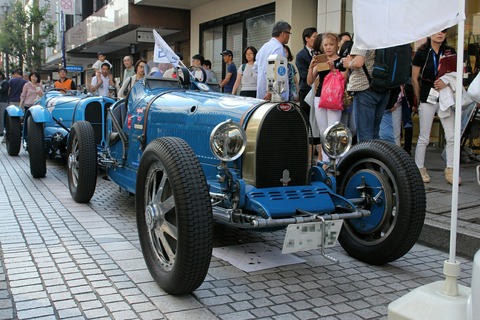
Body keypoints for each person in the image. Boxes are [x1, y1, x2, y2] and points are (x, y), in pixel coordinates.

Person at [412, 29, 459, 184]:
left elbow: (458, 72)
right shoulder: (421, 53)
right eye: (437, 31)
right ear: (430, 33)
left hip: (445, 94)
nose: (440, 34)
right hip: (428, 93)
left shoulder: (450, 51)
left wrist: (447, 81)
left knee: (451, 135)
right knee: (424, 136)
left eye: (443, 31)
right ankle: (419, 167)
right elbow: (414, 77)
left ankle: (451, 169)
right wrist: (419, 98)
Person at [307, 33, 348, 165]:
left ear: (337, 45)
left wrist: (333, 69)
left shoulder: (342, 60)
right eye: (325, 45)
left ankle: (335, 162)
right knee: (323, 132)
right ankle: (325, 162)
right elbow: (309, 81)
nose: (328, 47)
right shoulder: (321, 60)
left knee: (334, 132)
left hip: (334, 99)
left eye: (331, 44)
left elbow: (343, 79)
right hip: (320, 98)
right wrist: (311, 67)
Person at [342, 42, 390, 142]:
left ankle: (367, 158)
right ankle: (375, 157)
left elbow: (359, 63)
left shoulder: (363, 35)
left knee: (365, 135)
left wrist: (348, 63)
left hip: (364, 87)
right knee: (375, 132)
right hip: (383, 87)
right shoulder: (384, 35)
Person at [255, 20, 292, 101]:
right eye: (289, 33)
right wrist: (270, 91)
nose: (289, 36)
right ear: (283, 33)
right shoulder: (278, 48)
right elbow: (276, 71)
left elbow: (256, 68)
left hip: (262, 90)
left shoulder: (264, 47)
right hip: (274, 95)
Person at [295, 27, 318, 116]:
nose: (316, 40)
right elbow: (304, 74)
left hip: (317, 90)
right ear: (307, 38)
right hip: (306, 90)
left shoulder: (319, 53)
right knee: (306, 116)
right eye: (314, 37)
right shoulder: (300, 55)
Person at [0, 71, 10, 136]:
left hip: (3, 101)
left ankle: (1, 131)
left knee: (2, 117)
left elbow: (3, 91)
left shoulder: (5, 82)